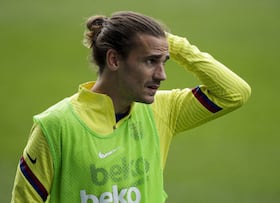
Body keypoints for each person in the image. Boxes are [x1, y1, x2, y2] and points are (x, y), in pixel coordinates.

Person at [11, 11, 251, 203]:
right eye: (150, 61)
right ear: (114, 60)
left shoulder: (163, 109)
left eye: (164, 62)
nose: (162, 75)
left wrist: (172, 45)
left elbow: (234, 93)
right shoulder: (56, 125)